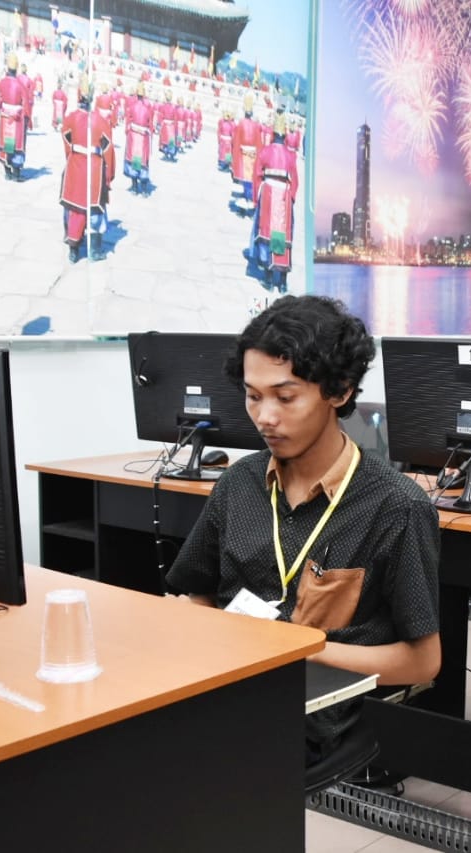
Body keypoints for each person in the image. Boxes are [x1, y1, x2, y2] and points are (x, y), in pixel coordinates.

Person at [165, 295, 441, 764]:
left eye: (286, 397)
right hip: (230, 684)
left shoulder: (396, 507)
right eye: (253, 396)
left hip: (313, 716)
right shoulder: (239, 483)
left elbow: (422, 662)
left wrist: (297, 649)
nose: (265, 417)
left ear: (339, 391)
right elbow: (197, 594)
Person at [59, 75, 115, 263]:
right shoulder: (100, 121)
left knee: (74, 208)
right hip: (94, 168)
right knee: (95, 210)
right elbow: (108, 149)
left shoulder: (71, 118)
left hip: (75, 165)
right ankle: (94, 250)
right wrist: (108, 175)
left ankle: (73, 249)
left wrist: (71, 155)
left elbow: (66, 137)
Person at [248, 113, 299, 293]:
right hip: (284, 198)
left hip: (269, 195)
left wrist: (256, 198)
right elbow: (295, 181)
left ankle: (269, 279)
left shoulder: (265, 151)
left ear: (272, 134)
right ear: (284, 135)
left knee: (267, 234)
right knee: (283, 235)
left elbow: (256, 175)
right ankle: (283, 282)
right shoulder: (291, 156)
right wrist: (290, 199)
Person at [0, 52, 29, 181]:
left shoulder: (1, 83)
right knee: (16, 146)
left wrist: (4, 112)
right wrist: (25, 119)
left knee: (6, 144)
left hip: (5, 117)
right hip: (17, 119)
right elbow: (25, 104)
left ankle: (7, 172)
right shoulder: (20, 85)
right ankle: (16, 173)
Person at [122, 81, 153, 195]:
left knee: (133, 160)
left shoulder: (132, 107)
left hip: (133, 136)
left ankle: (134, 186)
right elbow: (150, 125)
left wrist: (127, 132)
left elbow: (128, 121)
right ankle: (144, 188)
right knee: (143, 161)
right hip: (143, 138)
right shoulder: (147, 109)